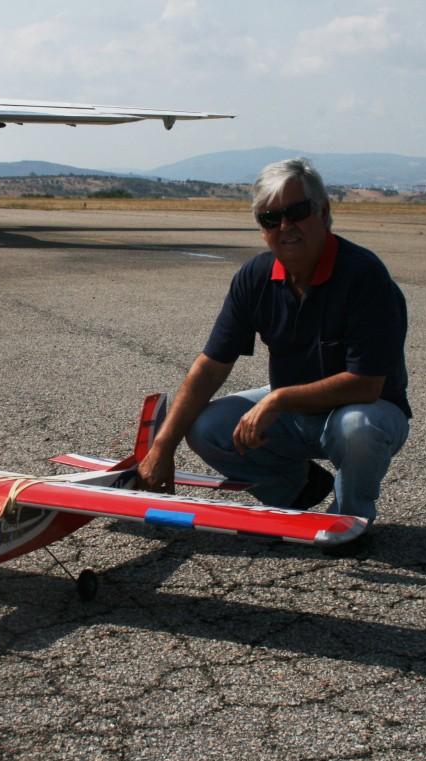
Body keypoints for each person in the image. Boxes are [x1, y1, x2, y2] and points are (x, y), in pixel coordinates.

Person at [137, 158, 410, 542]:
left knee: (358, 428)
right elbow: (210, 367)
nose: (285, 227)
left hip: (368, 410)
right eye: (270, 219)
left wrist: (277, 399)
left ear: (324, 213)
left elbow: (366, 386)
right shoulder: (256, 277)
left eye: (297, 212)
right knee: (206, 427)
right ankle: (295, 491)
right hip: (293, 410)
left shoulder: (365, 276)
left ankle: (351, 519)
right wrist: (163, 447)